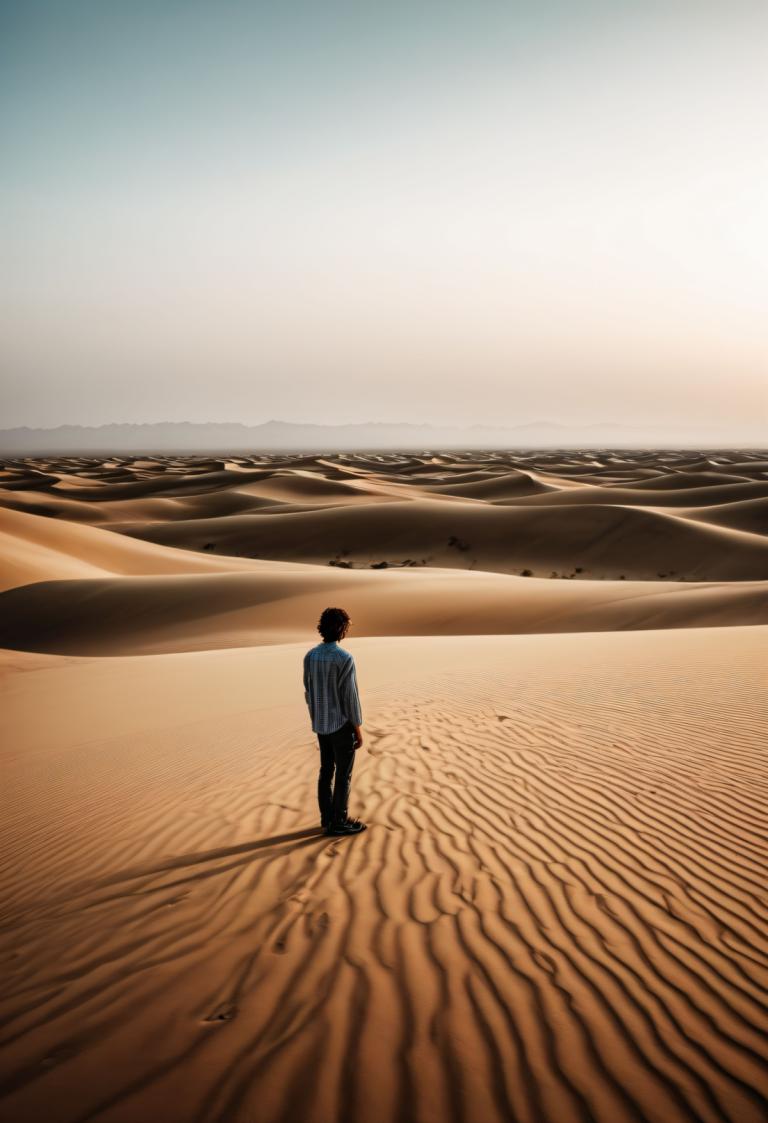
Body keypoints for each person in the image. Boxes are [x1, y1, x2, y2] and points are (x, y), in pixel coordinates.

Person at [303, 607, 367, 836]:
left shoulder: (311, 655)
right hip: (340, 725)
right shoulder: (344, 658)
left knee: (326, 770)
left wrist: (316, 719)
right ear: (341, 628)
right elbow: (349, 697)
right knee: (343, 774)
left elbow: (308, 691)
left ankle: (327, 818)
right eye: (346, 626)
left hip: (321, 725)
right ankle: (339, 820)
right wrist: (357, 728)